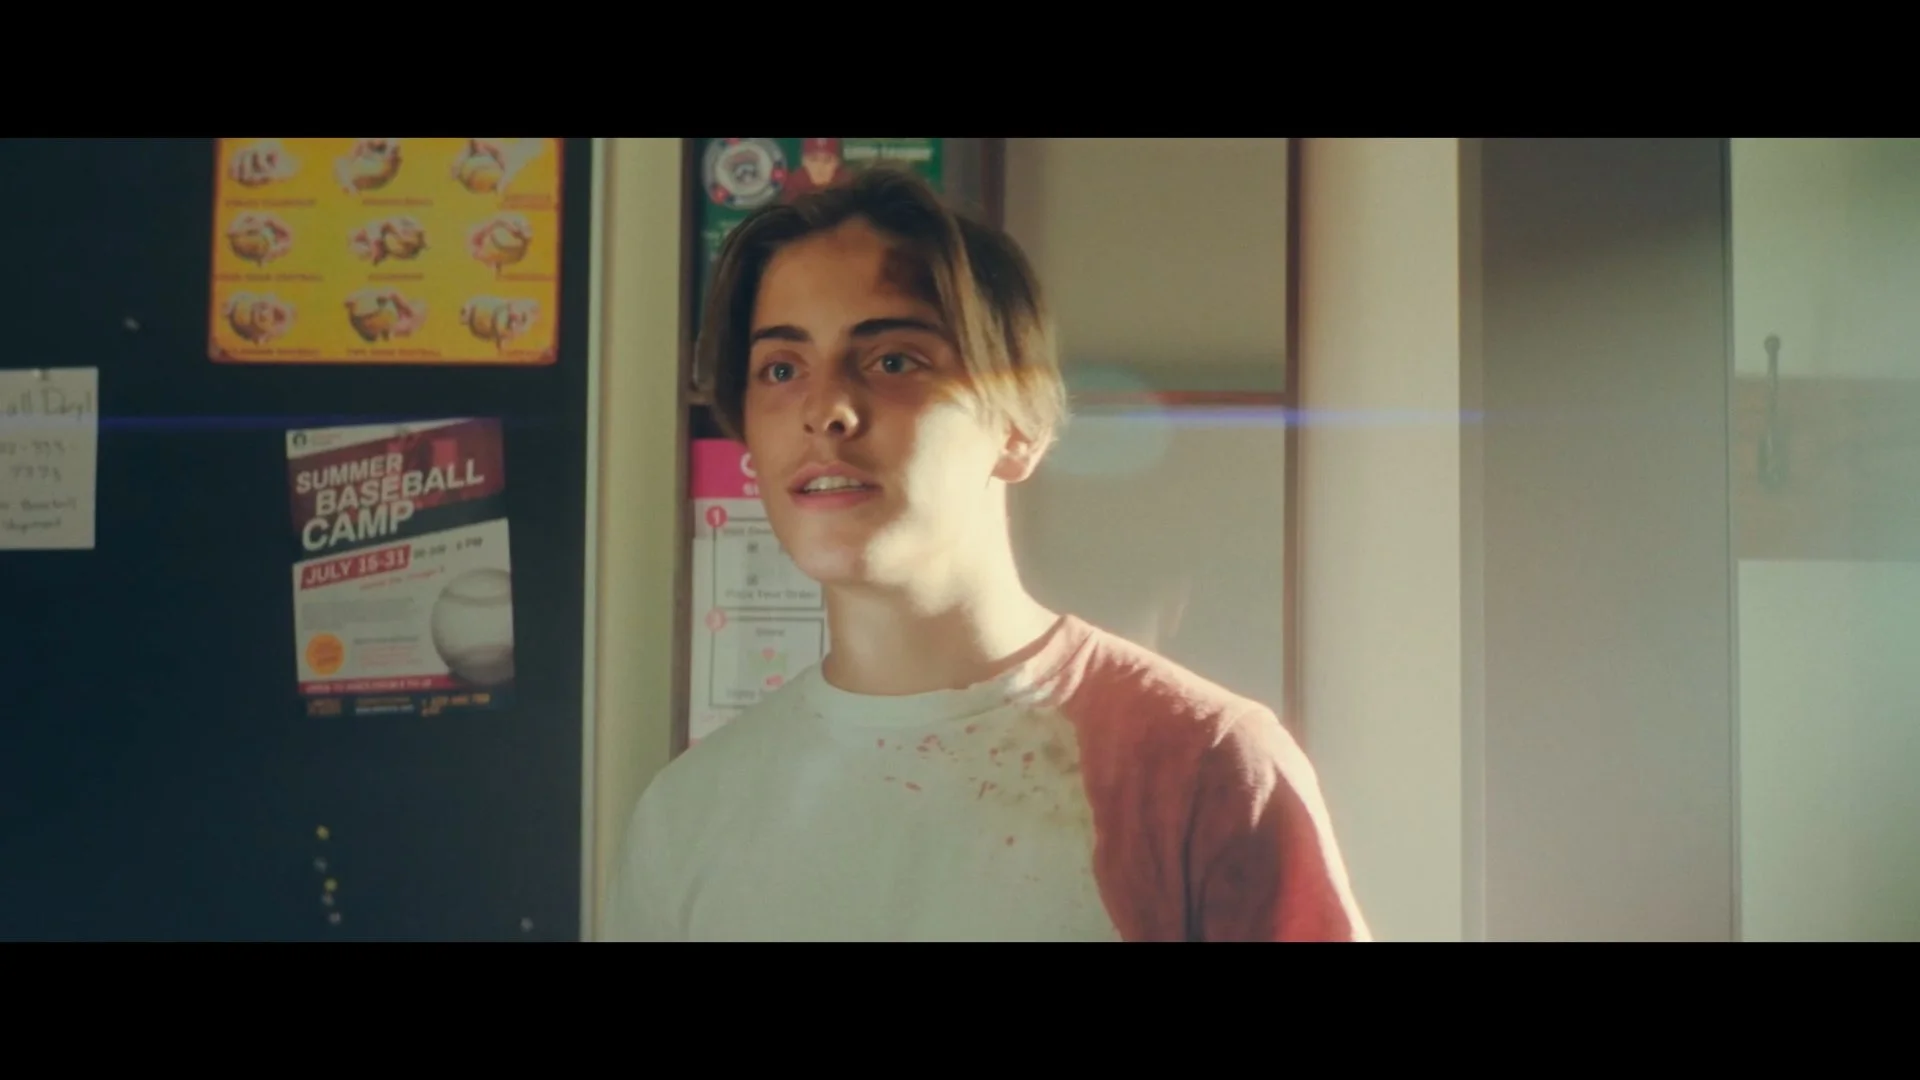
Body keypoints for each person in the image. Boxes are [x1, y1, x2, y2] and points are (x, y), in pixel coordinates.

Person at [606, 166, 1368, 942]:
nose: (825, 408)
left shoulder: (1203, 767)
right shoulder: (687, 816)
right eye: (781, 369)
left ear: (1018, 427)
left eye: (893, 360)